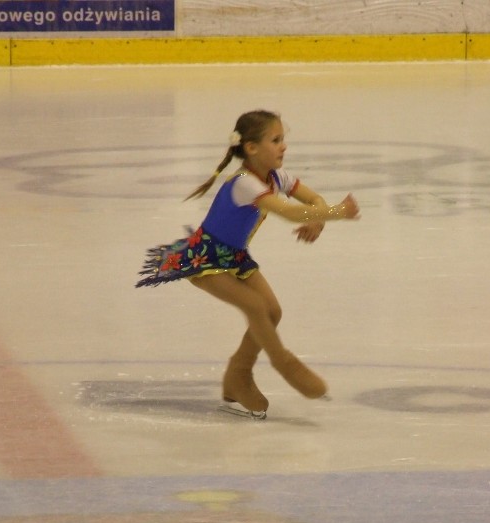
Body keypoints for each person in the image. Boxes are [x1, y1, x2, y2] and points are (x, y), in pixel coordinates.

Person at [136, 110, 360, 418]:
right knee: (256, 307)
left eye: (284, 139)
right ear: (252, 148)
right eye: (276, 140)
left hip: (236, 257)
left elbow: (313, 201)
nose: (284, 147)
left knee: (272, 311)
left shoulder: (276, 177)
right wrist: (337, 213)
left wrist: (319, 219)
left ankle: (236, 376)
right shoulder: (245, 184)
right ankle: (285, 364)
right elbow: (291, 213)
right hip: (207, 258)